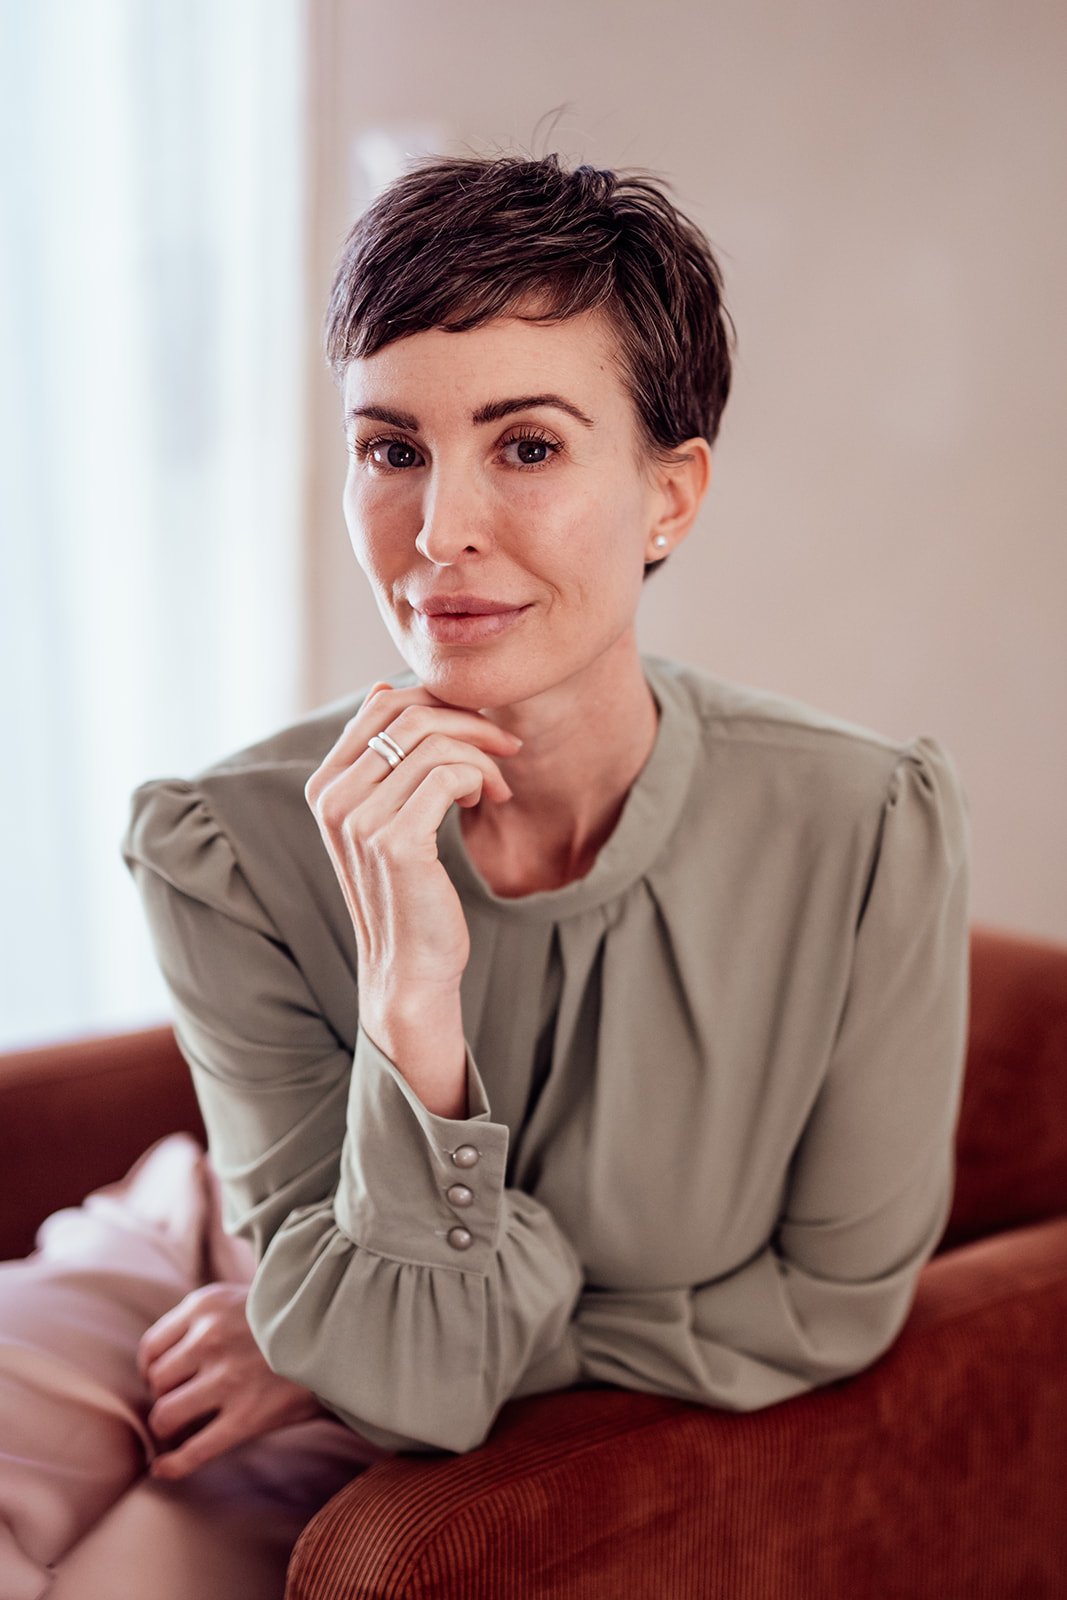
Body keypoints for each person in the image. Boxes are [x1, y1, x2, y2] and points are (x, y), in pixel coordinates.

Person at [0, 150, 972, 1596]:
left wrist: (329, 1349)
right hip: (195, 1284)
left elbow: (824, 1310)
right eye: (392, 448)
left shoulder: (862, 829)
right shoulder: (226, 838)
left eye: (526, 446)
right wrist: (406, 987)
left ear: (671, 494)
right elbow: (319, 1287)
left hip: (315, 1368)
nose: (439, 532)